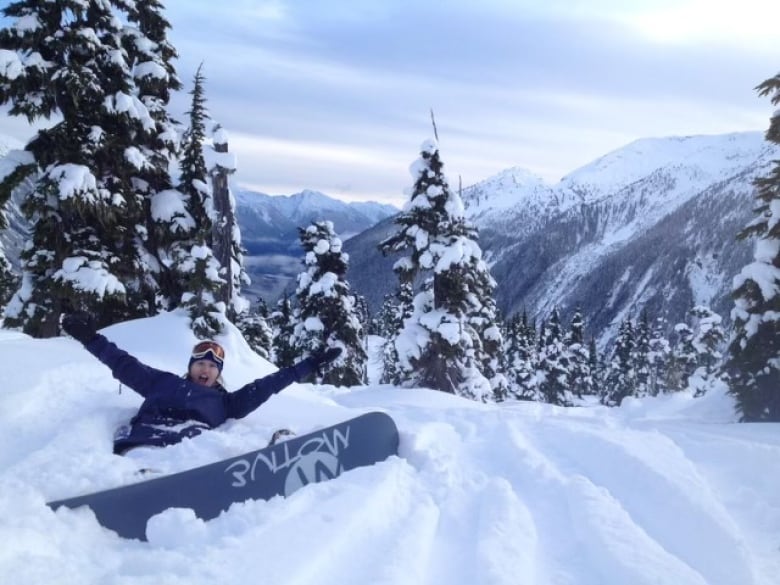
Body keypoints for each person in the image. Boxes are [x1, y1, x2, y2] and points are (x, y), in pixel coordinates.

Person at [61, 311, 342, 455]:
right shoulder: (161, 382)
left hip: (187, 455)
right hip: (143, 444)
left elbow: (269, 384)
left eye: (211, 366)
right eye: (200, 364)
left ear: (218, 374)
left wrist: (309, 365)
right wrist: (89, 337)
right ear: (191, 367)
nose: (205, 369)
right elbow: (121, 362)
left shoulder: (227, 402)